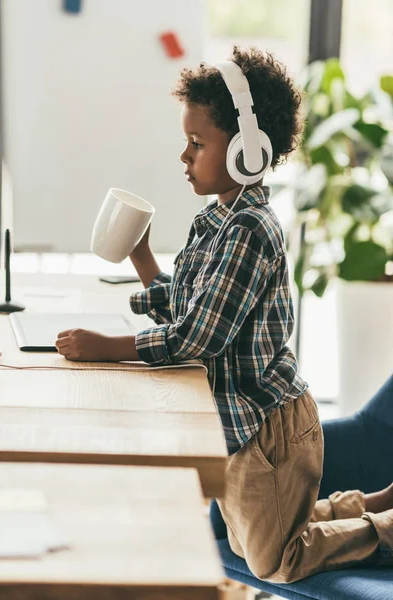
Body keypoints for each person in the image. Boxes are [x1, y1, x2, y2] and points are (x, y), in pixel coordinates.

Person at [55, 46, 393, 582]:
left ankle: (386, 527)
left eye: (196, 143)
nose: (184, 157)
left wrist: (109, 348)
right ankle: (365, 503)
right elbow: (193, 307)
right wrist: (143, 257)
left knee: (276, 559)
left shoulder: (251, 231)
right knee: (255, 535)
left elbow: (197, 338)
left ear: (247, 152)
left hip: (267, 427)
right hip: (236, 424)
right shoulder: (214, 221)